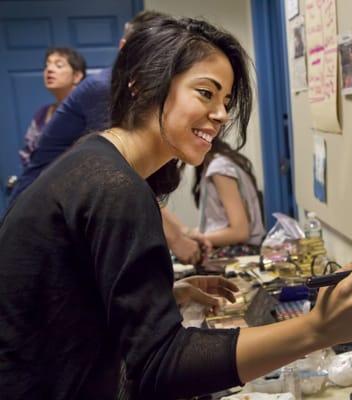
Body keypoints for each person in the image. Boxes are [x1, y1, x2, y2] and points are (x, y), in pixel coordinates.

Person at [0, 16, 352, 399]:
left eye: (225, 101)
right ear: (141, 84)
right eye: (206, 93)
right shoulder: (115, 188)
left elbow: (67, 301)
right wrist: (315, 330)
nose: (221, 114)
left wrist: (162, 297)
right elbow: (159, 366)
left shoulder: (97, 162)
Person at [4, 10, 207, 265]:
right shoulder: (105, 88)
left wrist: (183, 232)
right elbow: (120, 172)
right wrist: (177, 239)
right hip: (38, 218)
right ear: (124, 49)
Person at [191, 137, 265, 258]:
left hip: (237, 251)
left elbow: (240, 232)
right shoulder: (223, 162)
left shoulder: (219, 168)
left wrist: (197, 239)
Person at [19, 47, 86, 167]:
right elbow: (27, 152)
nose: (49, 69)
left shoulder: (87, 110)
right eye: (47, 65)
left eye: (59, 65)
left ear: (77, 76)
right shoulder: (42, 113)